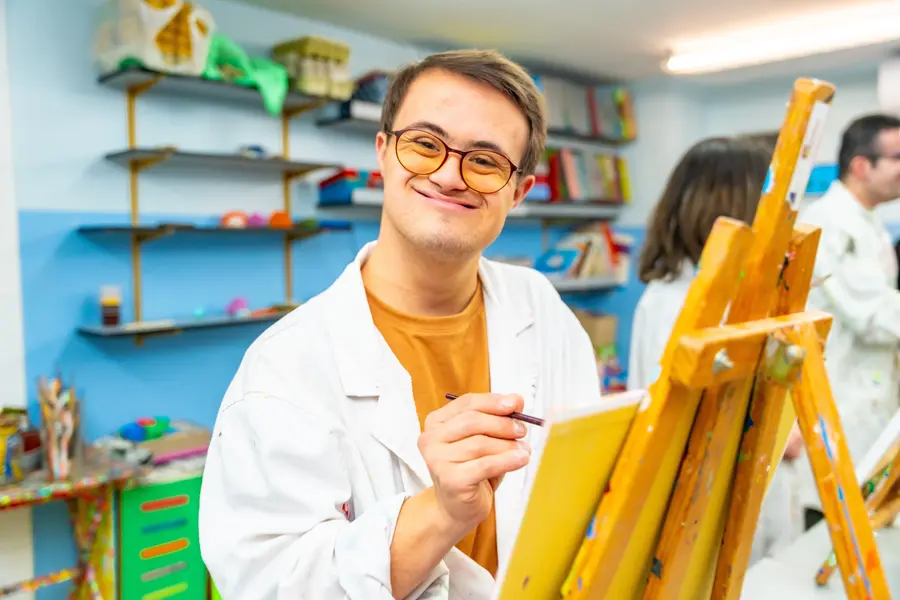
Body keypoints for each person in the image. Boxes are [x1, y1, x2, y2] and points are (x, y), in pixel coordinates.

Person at [197, 49, 601, 599]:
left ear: (519, 192)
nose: (449, 175)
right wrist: (442, 510)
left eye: (485, 161)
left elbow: (582, 490)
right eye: (425, 145)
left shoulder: (540, 309)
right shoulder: (284, 368)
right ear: (384, 153)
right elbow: (271, 585)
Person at [626, 136, 805, 560]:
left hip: (757, 496)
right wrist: (775, 430)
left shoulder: (738, 292)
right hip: (705, 505)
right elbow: (683, 422)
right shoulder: (678, 304)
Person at [796, 114, 900, 530]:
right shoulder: (828, 222)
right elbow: (872, 315)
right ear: (861, 166)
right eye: (896, 157)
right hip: (839, 406)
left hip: (870, 405)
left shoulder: (868, 223)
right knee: (829, 538)